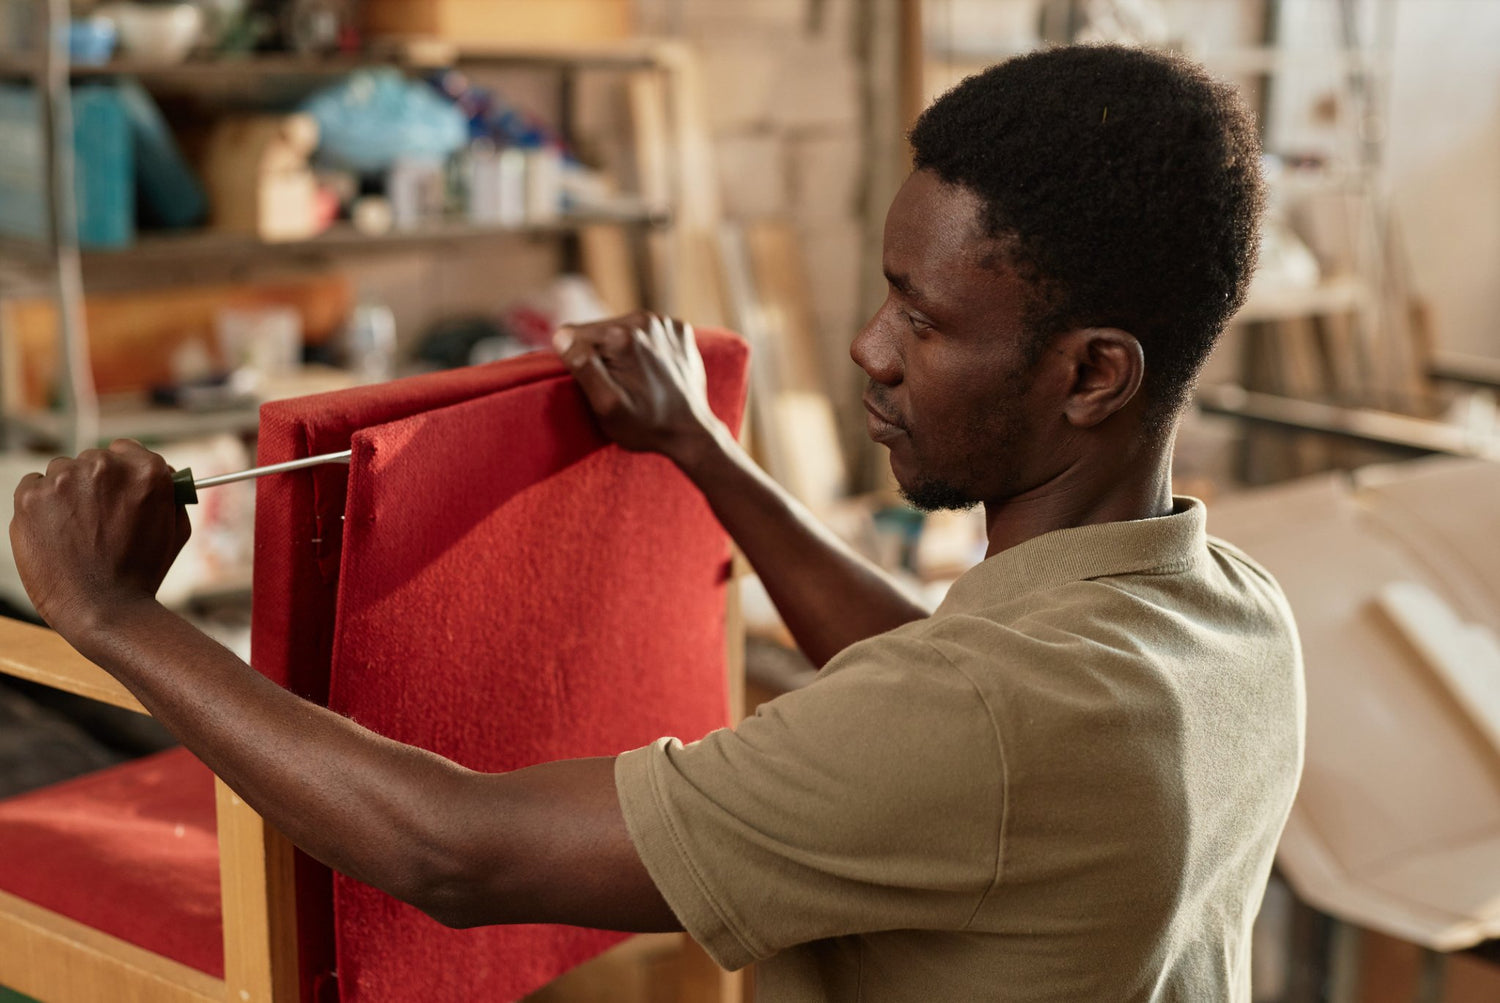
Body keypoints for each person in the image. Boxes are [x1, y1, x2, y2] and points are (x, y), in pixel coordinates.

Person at [9, 45, 1302, 1002]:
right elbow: (929, 675)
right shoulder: (1228, 614)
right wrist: (704, 452)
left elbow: (454, 851)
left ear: (1093, 376)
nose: (869, 348)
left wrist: (113, 614)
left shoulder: (985, 724)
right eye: (885, 292)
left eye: (924, 318)